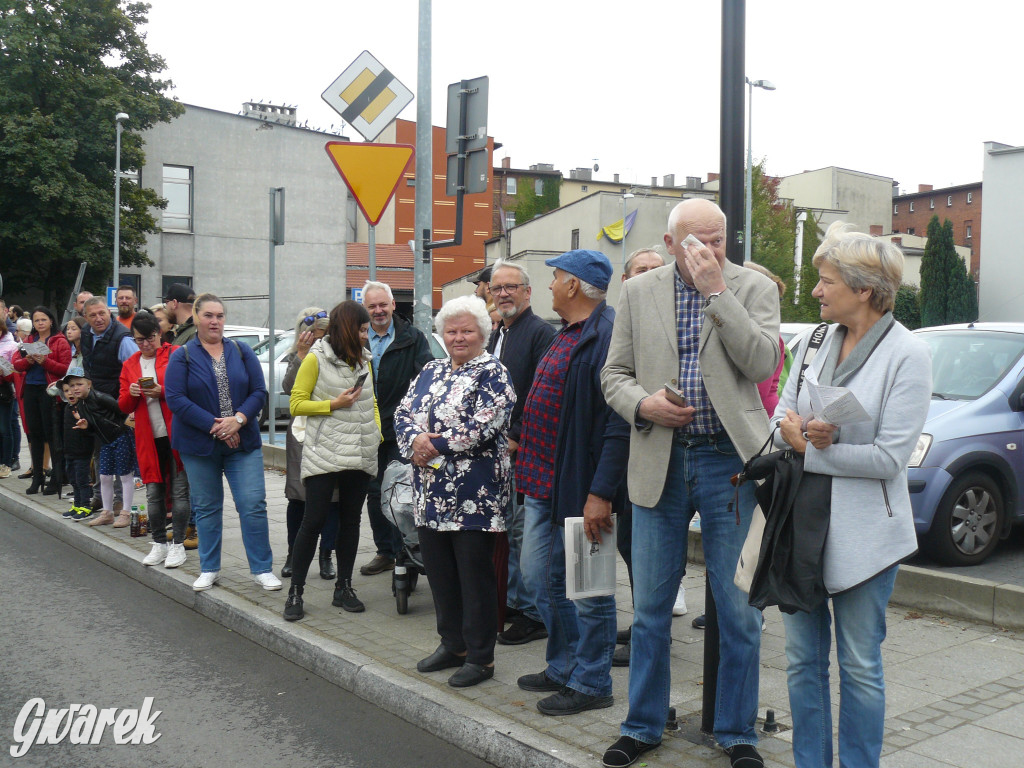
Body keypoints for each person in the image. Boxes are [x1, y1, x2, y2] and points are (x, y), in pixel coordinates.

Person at [600, 198, 781, 768]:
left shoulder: (751, 288)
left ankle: (736, 732)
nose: (710, 251)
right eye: (698, 241)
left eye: (719, 240)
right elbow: (613, 375)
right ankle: (643, 724)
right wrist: (643, 404)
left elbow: (760, 364)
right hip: (661, 457)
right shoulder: (637, 290)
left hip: (729, 462)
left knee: (738, 609)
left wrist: (717, 293)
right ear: (672, 241)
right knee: (651, 607)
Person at [772, 223, 931, 768]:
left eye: (826, 281)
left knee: (859, 665)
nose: (816, 291)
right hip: (801, 526)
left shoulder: (908, 354)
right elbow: (780, 414)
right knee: (801, 662)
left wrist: (814, 449)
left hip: (867, 539)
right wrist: (793, 434)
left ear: (864, 290)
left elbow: (889, 459)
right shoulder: (812, 340)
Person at [514, 249, 629, 715]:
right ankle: (563, 666)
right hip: (544, 483)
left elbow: (616, 425)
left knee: (588, 589)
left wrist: (600, 493)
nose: (550, 285)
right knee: (542, 581)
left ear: (575, 286)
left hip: (582, 490)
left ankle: (593, 683)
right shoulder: (567, 334)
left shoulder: (605, 337)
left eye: (556, 277)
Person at [393, 295, 516, 689]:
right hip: (430, 493)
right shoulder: (431, 369)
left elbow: (485, 423)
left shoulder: (493, 372)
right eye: (451, 331)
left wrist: (434, 445)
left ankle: (481, 658)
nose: (458, 337)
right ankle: (453, 644)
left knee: (474, 576)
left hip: (475, 494)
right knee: (441, 574)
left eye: (466, 330)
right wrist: (415, 440)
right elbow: (402, 412)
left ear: (483, 332)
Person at [163, 293, 280, 593]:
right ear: (197, 317)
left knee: (253, 505)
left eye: (219, 316)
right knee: (207, 507)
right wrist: (217, 427)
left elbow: (259, 392)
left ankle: (262, 569)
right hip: (200, 446)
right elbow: (176, 398)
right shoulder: (182, 355)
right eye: (208, 315)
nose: (214, 321)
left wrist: (238, 420)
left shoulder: (242, 351)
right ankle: (209, 568)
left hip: (243, 443)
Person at [612, 246, 691, 669]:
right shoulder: (624, 318)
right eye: (641, 271)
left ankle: (653, 620)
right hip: (632, 453)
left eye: (656, 270)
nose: (650, 277)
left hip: (671, 451)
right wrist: (642, 405)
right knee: (632, 547)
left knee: (648, 554)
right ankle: (646, 624)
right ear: (627, 282)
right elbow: (613, 379)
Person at [282, 301, 380, 620]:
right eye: (363, 330)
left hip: (360, 450)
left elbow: (372, 402)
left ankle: (344, 587)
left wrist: (376, 434)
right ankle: (295, 593)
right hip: (325, 449)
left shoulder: (364, 360)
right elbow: (296, 404)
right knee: (313, 521)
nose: (367, 336)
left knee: (351, 521)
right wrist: (332, 404)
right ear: (350, 329)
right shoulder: (316, 358)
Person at [485, 259, 556, 645]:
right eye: (497, 288)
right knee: (508, 530)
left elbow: (537, 394)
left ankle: (534, 613)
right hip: (497, 449)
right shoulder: (499, 332)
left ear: (528, 292)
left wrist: (515, 434)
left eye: (511, 287)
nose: (504, 294)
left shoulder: (539, 333)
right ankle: (514, 600)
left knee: (522, 531)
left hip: (525, 448)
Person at [358, 280, 432, 577]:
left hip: (402, 430)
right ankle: (385, 552)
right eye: (372, 306)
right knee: (375, 494)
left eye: (382, 305)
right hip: (367, 429)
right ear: (366, 310)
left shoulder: (412, 337)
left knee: (403, 492)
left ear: (392, 305)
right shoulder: (357, 340)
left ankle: (407, 553)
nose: (378, 311)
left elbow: (426, 382)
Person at [119, 312, 189, 568]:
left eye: (149, 338)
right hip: (149, 438)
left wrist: (163, 392)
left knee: (181, 492)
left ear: (159, 333)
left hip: (177, 434)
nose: (146, 344)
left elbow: (189, 391)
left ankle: (178, 545)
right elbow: (123, 404)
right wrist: (132, 392)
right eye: (139, 340)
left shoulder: (176, 354)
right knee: (154, 492)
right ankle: (160, 543)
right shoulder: (130, 364)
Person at [279, 306, 340, 581]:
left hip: (331, 432)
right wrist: (302, 356)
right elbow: (290, 388)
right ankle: (294, 553)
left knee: (332, 498)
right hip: (302, 435)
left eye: (323, 334)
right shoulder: (297, 355)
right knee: (298, 497)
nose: (319, 339)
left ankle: (327, 554)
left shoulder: (338, 355)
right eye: (314, 334)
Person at [81, 297, 138, 525]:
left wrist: (128, 407)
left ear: (109, 312)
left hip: (118, 409)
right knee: (102, 464)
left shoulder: (122, 338)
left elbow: (134, 369)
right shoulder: (87, 333)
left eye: (102, 313)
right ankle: (105, 508)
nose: (98, 318)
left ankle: (123, 508)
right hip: (95, 408)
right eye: (93, 315)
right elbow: (87, 365)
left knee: (123, 466)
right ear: (86, 317)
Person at [13, 306, 71, 495]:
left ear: (51, 321)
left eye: (43, 320)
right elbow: (17, 365)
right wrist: (29, 360)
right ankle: (37, 475)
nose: (40, 324)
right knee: (35, 435)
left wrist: (44, 361)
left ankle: (56, 478)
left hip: (49, 391)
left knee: (52, 435)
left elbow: (64, 369)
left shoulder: (59, 341)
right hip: (30, 389)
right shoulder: (30, 340)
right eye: (37, 321)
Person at [58, 368, 125, 521]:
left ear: (88, 384)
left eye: (78, 384)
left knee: (124, 474)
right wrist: (87, 427)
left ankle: (123, 507)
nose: (74, 389)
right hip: (102, 440)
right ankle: (104, 509)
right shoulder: (79, 405)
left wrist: (121, 431)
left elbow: (121, 412)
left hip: (118, 437)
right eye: (71, 386)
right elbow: (91, 428)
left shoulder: (101, 397)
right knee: (104, 474)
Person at [0, 320, 21, 477]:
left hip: (4, 391)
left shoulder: (11, 345)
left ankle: (7, 463)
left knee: (5, 428)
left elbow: (13, 372)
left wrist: (3, 369)